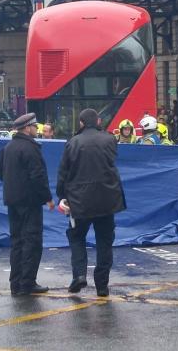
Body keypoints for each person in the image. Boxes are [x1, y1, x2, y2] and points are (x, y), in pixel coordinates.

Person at [56, 108, 126, 297]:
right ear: (98, 121)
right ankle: (102, 285)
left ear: (80, 123)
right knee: (105, 241)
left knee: (77, 237)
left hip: (80, 201)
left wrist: (61, 195)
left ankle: (79, 275)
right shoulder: (110, 139)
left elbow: (63, 173)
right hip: (107, 200)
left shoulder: (72, 143)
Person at [0, 112, 54, 296]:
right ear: (27, 128)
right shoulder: (31, 148)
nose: (37, 129)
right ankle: (27, 282)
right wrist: (48, 198)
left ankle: (15, 282)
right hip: (30, 202)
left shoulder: (8, 147)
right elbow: (38, 176)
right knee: (32, 241)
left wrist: (12, 183)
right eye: (35, 126)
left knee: (17, 241)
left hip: (12, 200)